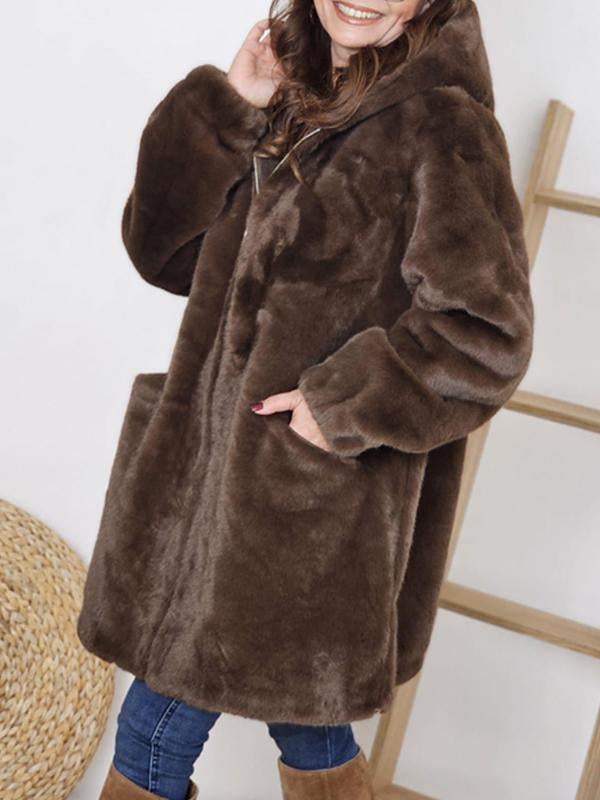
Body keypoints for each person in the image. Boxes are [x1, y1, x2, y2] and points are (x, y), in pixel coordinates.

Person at [79, 1, 535, 798]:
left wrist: (342, 404)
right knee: (311, 728)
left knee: (155, 729)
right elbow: (163, 254)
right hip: (199, 494)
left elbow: (488, 332)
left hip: (305, 515)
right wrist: (231, 106)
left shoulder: (444, 124)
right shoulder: (292, 94)